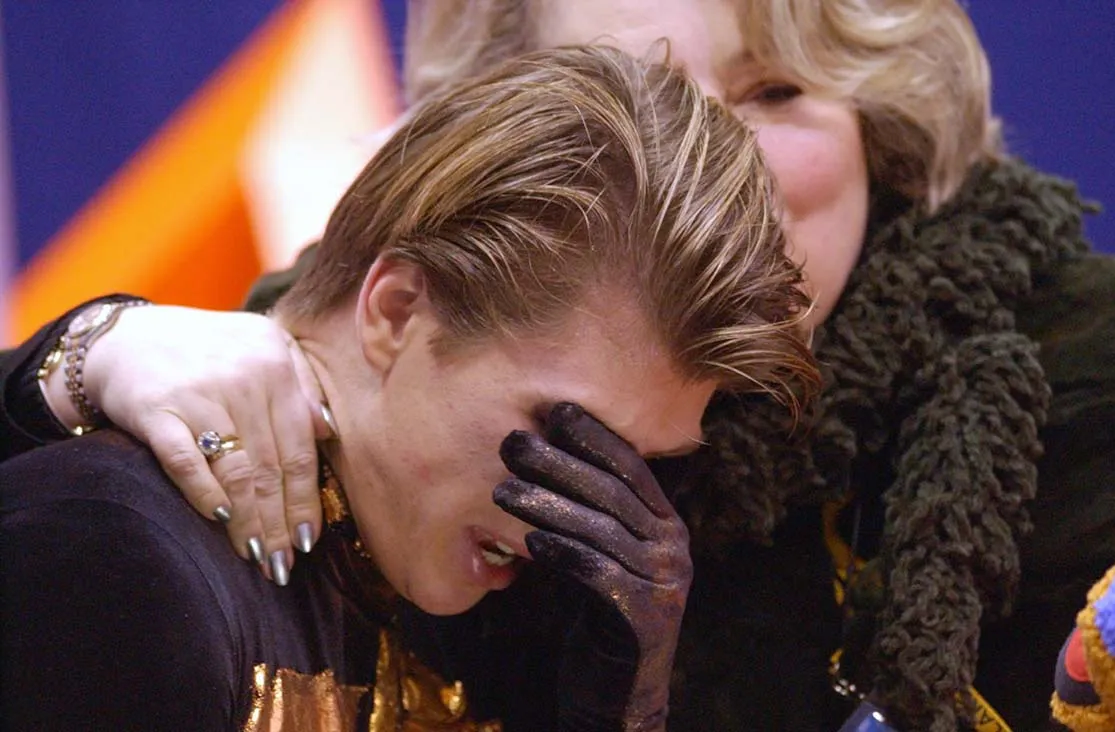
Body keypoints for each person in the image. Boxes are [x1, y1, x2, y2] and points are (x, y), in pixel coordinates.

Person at [2, 0, 1115, 729]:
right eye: (645, 98)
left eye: (775, 89)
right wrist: (70, 362)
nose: (718, 165)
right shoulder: (270, 414)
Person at [0, 45, 819, 730]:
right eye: (564, 434)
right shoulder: (120, 565)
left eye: (641, 466)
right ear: (395, 311)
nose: (586, 512)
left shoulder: (491, 623)